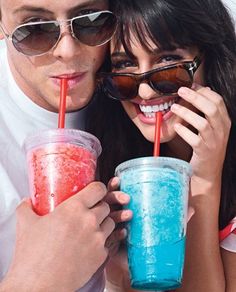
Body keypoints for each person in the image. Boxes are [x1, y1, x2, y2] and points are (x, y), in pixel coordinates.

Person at [88, 0, 236, 291]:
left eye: (168, 62)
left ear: (210, 59)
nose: (144, 90)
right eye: (125, 65)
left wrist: (204, 181)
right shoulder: (115, 170)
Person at [0, 0, 133, 291]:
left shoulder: (136, 89)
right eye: (34, 28)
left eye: (90, 19)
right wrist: (38, 280)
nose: (68, 51)